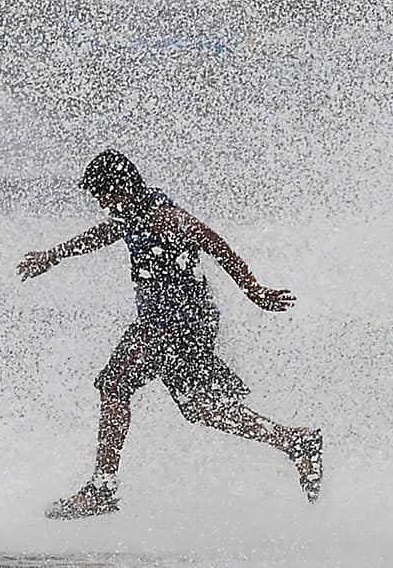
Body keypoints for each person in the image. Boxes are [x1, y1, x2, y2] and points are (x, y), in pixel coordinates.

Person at [17, 150, 323, 520]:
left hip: (172, 324)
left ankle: (102, 487)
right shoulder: (132, 214)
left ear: (122, 188)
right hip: (185, 324)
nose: (100, 203)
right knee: (202, 408)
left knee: (115, 384)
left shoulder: (164, 217)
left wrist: (254, 290)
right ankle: (294, 440)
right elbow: (106, 233)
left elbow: (212, 241)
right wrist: (55, 254)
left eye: (103, 194)